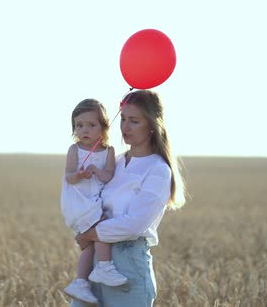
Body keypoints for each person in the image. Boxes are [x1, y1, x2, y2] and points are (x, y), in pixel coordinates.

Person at [71, 89, 186, 307]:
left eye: (134, 121)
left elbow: (134, 224)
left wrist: (89, 234)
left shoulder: (158, 170)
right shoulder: (113, 161)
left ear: (152, 125)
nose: (125, 127)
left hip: (129, 266)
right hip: (95, 265)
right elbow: (89, 201)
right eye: (123, 119)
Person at [61, 98, 129, 305]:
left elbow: (108, 175)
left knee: (89, 245)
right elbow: (69, 177)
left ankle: (80, 281)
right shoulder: (75, 149)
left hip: (94, 200)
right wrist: (80, 174)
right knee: (101, 227)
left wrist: (97, 171)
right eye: (79, 125)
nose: (85, 130)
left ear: (103, 127)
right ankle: (105, 267)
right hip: (79, 201)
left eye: (91, 125)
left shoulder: (108, 151)